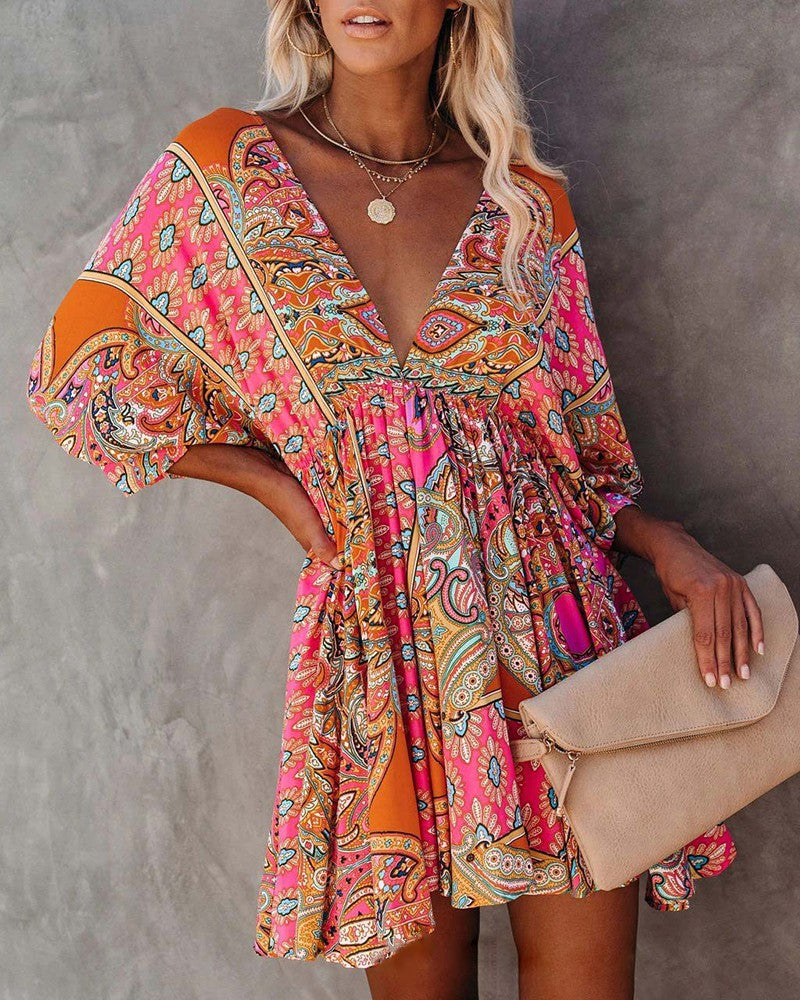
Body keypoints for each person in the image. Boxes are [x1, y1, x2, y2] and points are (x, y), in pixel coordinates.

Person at [25, 1, 765, 997]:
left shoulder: (523, 202)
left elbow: (577, 463)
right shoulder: (224, 170)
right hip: (381, 655)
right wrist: (272, 485)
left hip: (559, 652)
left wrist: (666, 542)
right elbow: (77, 373)